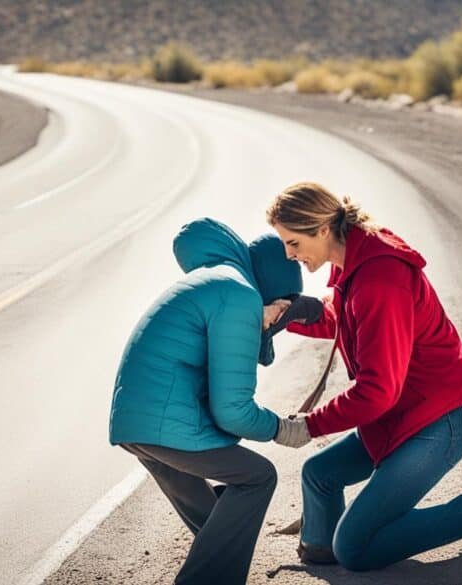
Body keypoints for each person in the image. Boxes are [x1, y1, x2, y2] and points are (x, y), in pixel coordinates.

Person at [265, 182, 462, 571]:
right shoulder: (354, 258)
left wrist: (310, 426)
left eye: (293, 243)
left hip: (443, 417)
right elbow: (346, 318)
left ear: (322, 230)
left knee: (355, 547)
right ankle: (322, 551)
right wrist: (288, 315)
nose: (290, 256)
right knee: (318, 474)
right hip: (403, 412)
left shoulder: (379, 279)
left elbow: (376, 392)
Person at [108, 217, 316, 585]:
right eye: (282, 306)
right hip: (165, 421)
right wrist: (284, 429)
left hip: (134, 421)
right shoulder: (239, 296)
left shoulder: (218, 280)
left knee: (218, 523)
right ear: (272, 289)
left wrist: (265, 322)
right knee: (257, 477)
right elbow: (233, 410)